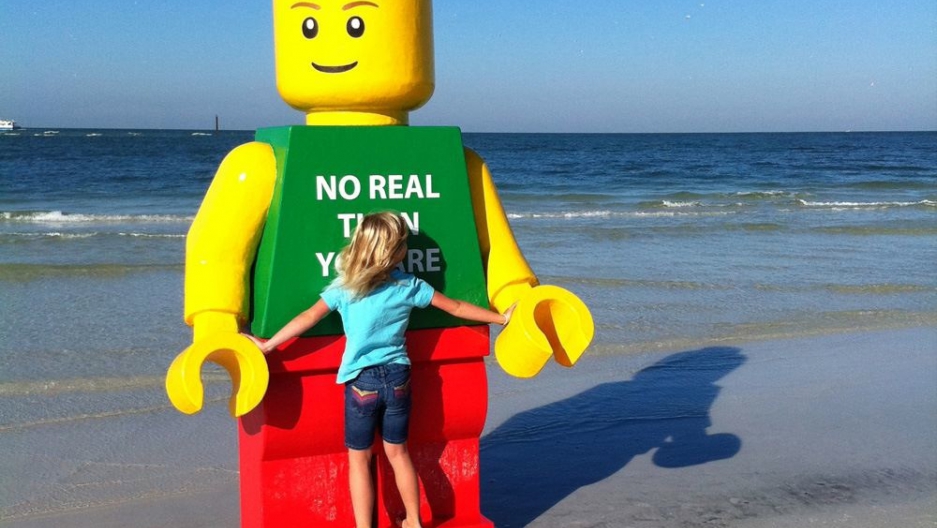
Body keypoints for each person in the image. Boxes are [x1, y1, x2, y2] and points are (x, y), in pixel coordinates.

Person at [246, 212, 513, 528]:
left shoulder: (345, 288)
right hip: (398, 379)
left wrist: (267, 345)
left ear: (358, 245)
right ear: (397, 252)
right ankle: (413, 520)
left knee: (359, 459)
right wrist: (500, 318)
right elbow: (455, 307)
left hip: (362, 383)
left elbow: (307, 318)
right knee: (398, 453)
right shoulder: (408, 286)